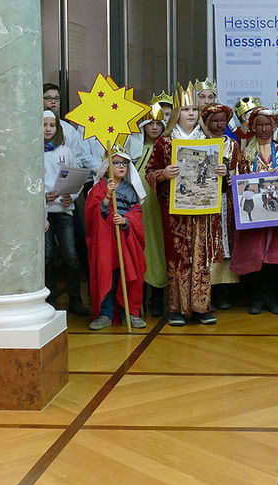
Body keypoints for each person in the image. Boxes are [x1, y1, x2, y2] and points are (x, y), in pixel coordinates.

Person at [146, 83, 228, 325]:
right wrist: (164, 174)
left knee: (200, 256)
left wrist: (223, 171)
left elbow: (223, 178)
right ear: (177, 113)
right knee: (178, 255)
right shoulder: (165, 142)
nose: (191, 113)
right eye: (185, 109)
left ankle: (202, 307)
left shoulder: (210, 140)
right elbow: (151, 172)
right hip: (175, 209)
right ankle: (176, 308)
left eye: (194, 109)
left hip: (203, 207)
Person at [230, 106, 278, 314]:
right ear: (252, 127)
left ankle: (274, 299)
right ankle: (256, 298)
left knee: (275, 256)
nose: (264, 129)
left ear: (275, 126)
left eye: (268, 125)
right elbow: (237, 182)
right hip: (254, 214)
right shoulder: (244, 154)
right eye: (259, 125)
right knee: (254, 255)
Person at [86, 146, 147, 331]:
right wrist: (106, 198)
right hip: (106, 242)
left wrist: (126, 220)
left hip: (125, 241)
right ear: (107, 166)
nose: (121, 167)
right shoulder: (99, 188)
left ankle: (129, 313)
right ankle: (105, 313)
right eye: (117, 163)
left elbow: (136, 212)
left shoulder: (129, 189)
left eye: (125, 164)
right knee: (107, 275)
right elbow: (93, 214)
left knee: (128, 275)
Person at [42, 110, 89, 316]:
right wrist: (42, 197)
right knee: (47, 256)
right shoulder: (31, 151)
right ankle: (49, 301)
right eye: (44, 125)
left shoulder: (66, 151)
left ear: (57, 128)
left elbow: (76, 176)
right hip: (42, 212)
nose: (48, 129)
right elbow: (26, 182)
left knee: (70, 255)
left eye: (52, 125)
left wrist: (72, 194)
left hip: (63, 210)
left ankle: (76, 300)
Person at [202, 103, 246, 310]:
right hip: (204, 201)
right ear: (206, 123)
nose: (219, 125)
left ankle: (224, 290)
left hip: (226, 201)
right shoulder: (199, 143)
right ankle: (205, 290)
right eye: (214, 121)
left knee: (226, 242)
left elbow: (239, 170)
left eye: (222, 121)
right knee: (207, 243)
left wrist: (231, 177)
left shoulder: (233, 145)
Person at [133, 100, 170, 317]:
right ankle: (139, 297)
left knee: (159, 246)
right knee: (140, 248)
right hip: (139, 207)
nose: (154, 127)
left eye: (158, 123)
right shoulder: (134, 148)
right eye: (150, 123)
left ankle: (157, 297)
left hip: (159, 204)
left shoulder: (166, 149)